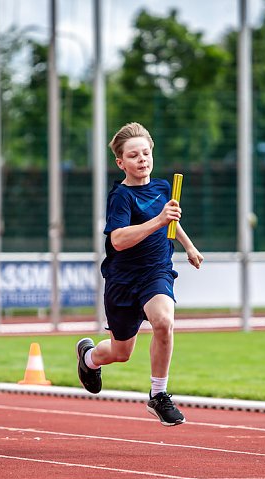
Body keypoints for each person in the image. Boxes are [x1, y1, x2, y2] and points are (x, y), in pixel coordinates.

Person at [76, 122, 203, 426]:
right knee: (121, 353)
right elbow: (118, 239)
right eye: (133, 155)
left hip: (156, 272)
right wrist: (159, 220)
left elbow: (171, 219)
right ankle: (89, 358)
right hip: (122, 281)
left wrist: (188, 246)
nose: (142, 159)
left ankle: (158, 395)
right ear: (121, 163)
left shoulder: (161, 187)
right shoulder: (121, 197)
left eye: (146, 153)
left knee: (164, 322)